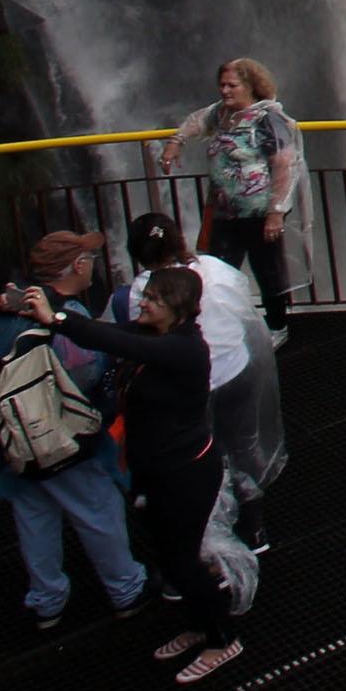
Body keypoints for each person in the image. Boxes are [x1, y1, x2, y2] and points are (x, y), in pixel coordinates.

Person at [8, 265, 241, 682]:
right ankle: (198, 625)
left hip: (186, 473)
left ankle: (222, 637)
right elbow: (111, 334)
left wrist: (56, 320)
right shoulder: (152, 334)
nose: (143, 303)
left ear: (180, 309)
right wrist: (42, 306)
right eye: (146, 295)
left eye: (154, 300)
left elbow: (111, 339)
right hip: (155, 469)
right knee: (169, 558)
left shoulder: (186, 349)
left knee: (183, 561)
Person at [0, 229, 150, 632]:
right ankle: (127, 589)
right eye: (89, 258)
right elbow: (87, 372)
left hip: (14, 438)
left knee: (34, 513)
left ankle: (46, 600)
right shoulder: (65, 315)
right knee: (97, 507)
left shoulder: (6, 311)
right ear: (77, 266)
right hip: (62, 437)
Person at [124, 217, 285, 555]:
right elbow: (242, 304)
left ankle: (212, 540)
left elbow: (141, 336)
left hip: (193, 386)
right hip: (236, 370)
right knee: (241, 447)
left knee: (202, 458)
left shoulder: (145, 288)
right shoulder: (212, 266)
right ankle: (255, 528)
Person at [166, 57, 305, 336]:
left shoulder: (268, 119)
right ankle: (223, 326)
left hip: (259, 212)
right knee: (217, 270)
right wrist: (175, 142)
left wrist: (276, 212)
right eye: (222, 85)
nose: (225, 91)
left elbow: (283, 164)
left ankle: (278, 326)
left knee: (267, 271)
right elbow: (195, 121)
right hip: (225, 211)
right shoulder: (220, 114)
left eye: (232, 85)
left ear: (251, 86)